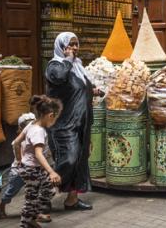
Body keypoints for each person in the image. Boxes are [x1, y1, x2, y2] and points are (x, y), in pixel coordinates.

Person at [45, 32, 101, 210]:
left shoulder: (77, 67)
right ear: (61, 46)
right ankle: (41, 196)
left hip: (81, 123)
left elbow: (79, 89)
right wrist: (68, 58)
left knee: (79, 161)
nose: (75, 48)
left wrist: (93, 91)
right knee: (68, 159)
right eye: (70, 45)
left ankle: (72, 199)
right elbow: (60, 77)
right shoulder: (54, 66)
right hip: (63, 124)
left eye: (77, 44)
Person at [13, 95, 62, 228]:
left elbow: (16, 143)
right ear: (50, 115)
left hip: (31, 168)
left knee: (49, 190)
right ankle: (26, 223)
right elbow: (39, 154)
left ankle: (32, 217)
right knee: (31, 199)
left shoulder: (31, 124)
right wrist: (51, 172)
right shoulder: (38, 131)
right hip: (32, 170)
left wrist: (19, 161)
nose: (54, 122)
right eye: (55, 119)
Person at [0, 112, 53, 220]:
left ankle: (36, 214)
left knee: (35, 192)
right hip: (19, 171)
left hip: (34, 170)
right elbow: (21, 155)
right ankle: (1, 207)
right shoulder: (20, 141)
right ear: (22, 128)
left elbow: (45, 154)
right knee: (10, 192)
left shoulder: (39, 136)